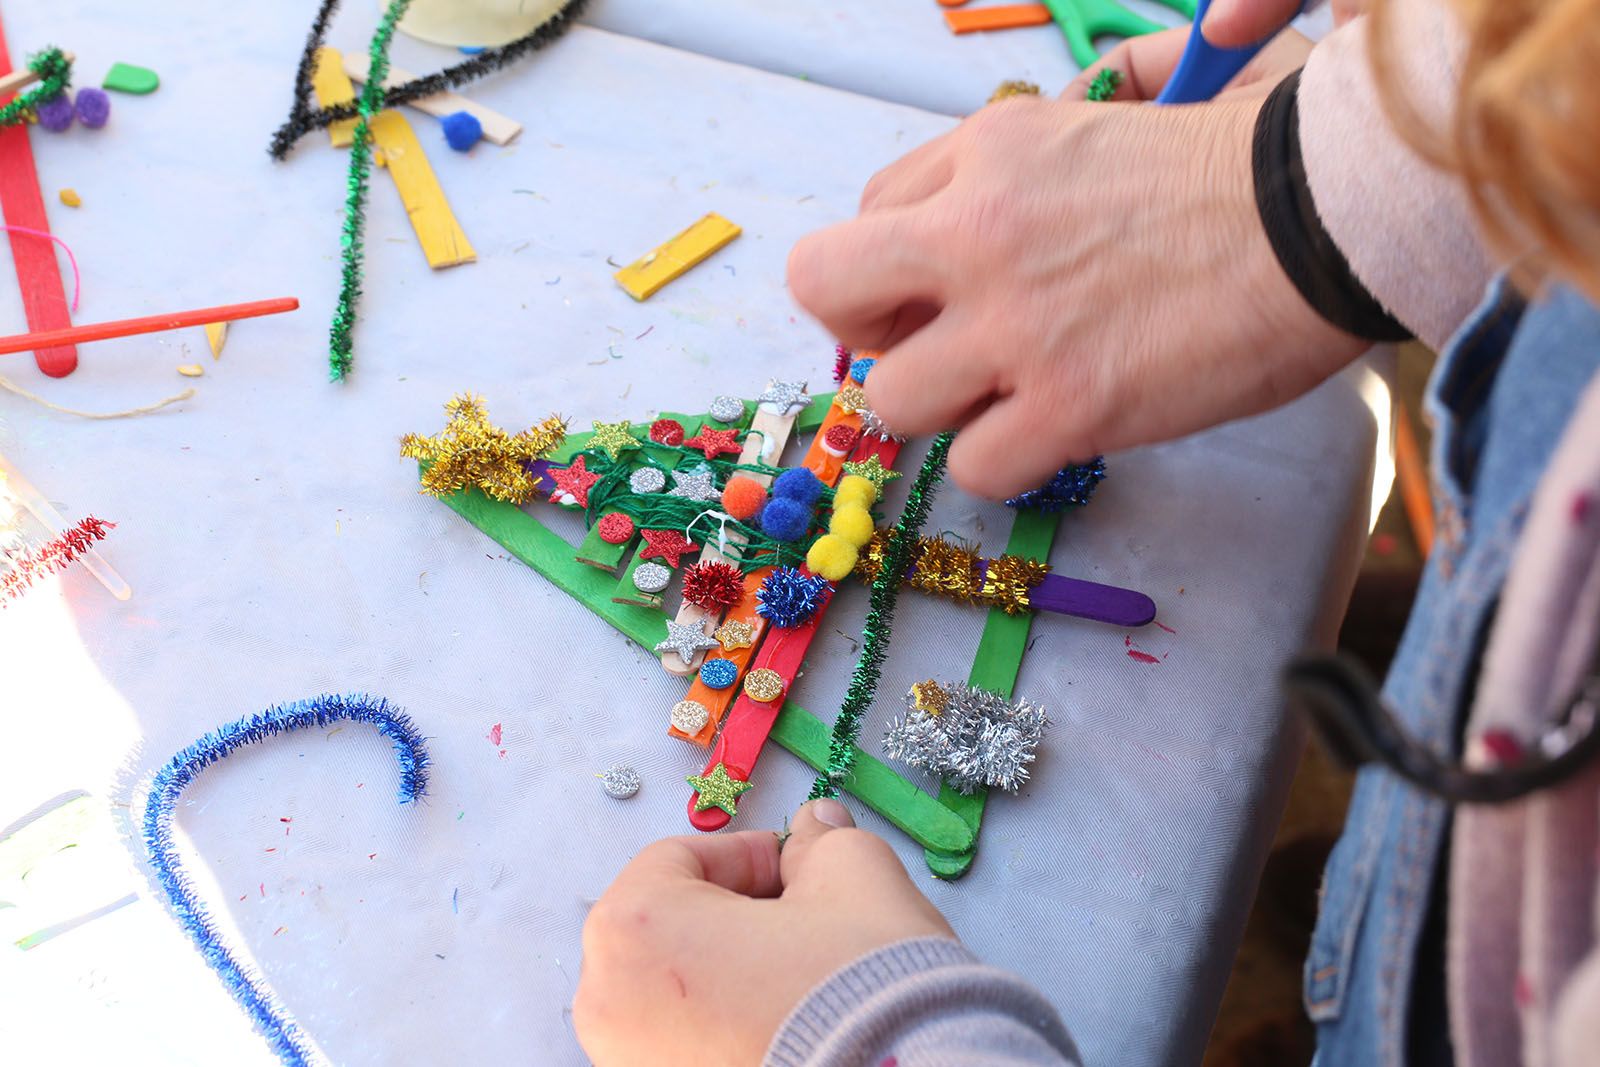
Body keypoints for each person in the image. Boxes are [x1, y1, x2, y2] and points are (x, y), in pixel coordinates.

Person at [573, 0, 1600, 1062]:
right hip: (1489, 813)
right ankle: (1379, 926)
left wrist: (866, 1030)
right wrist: (1367, 160)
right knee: (1407, 893)